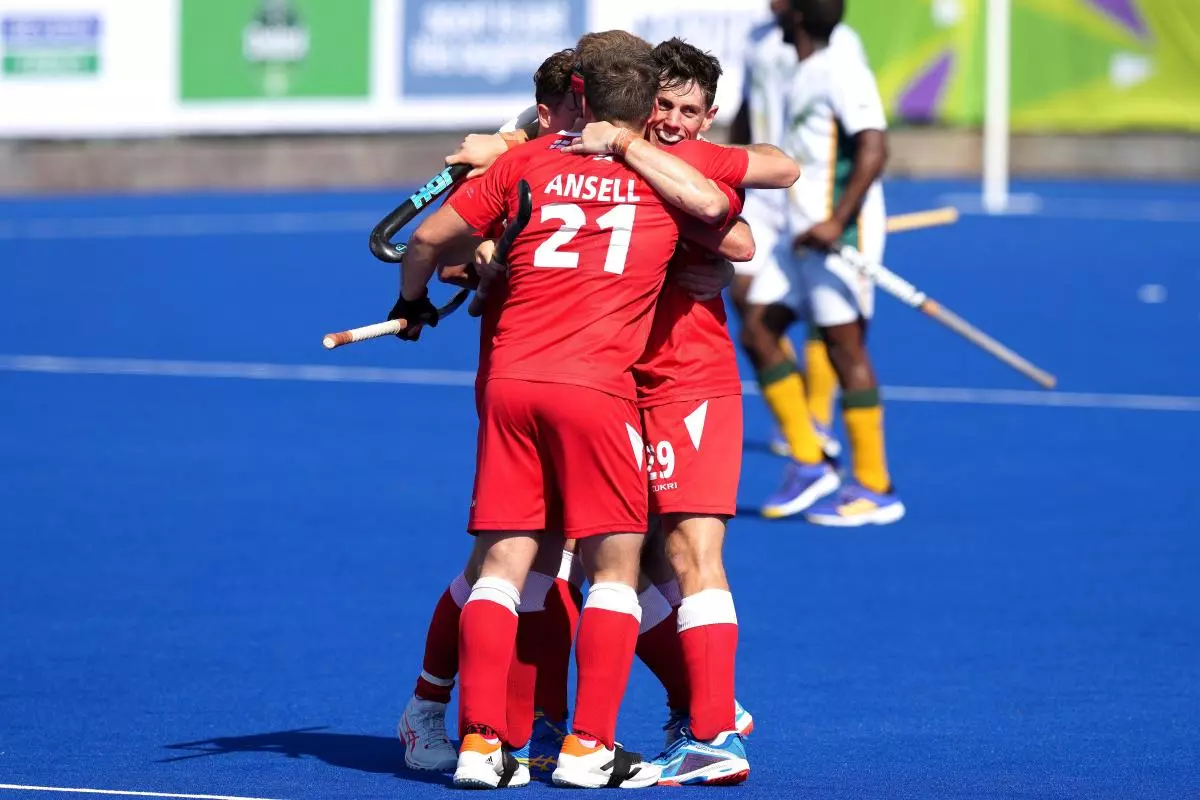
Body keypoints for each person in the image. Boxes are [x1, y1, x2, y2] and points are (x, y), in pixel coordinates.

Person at [395, 49, 746, 789]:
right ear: (644, 106)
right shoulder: (651, 181)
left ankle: (485, 743)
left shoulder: (524, 168)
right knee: (604, 565)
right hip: (597, 392)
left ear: (579, 101)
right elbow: (726, 223)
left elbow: (426, 241)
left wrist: (417, 297)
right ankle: (587, 742)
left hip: (516, 385)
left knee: (512, 564)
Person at [755, 0, 905, 525]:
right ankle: (810, 456)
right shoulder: (803, 68)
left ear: (795, 13)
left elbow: (874, 149)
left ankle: (875, 485)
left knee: (846, 348)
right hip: (800, 233)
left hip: (840, 235)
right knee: (757, 327)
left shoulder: (844, 68)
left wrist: (837, 221)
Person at [730, 0, 868, 467]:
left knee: (829, 326)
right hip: (770, 199)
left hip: (814, 201)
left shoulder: (838, 50)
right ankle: (808, 446)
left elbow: (863, 135)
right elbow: (750, 107)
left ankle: (820, 420)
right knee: (749, 302)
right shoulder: (760, 40)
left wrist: (840, 214)